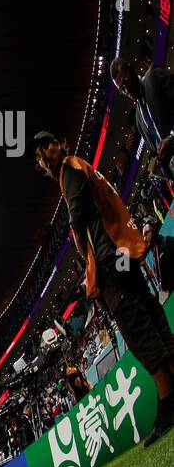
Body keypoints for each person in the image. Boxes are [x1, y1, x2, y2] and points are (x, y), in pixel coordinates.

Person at [35, 131, 174, 443]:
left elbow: (77, 220)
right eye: (39, 154)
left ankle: (168, 402)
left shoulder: (69, 171)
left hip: (110, 259)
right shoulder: (80, 164)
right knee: (150, 314)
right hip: (123, 252)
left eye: (47, 146)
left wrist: (87, 260)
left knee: (137, 328)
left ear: (59, 144)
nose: (44, 155)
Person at [110, 56, 174, 174]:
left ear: (131, 70)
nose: (126, 91)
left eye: (125, 83)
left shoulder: (154, 76)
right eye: (121, 89)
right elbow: (155, 150)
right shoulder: (138, 119)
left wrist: (171, 137)